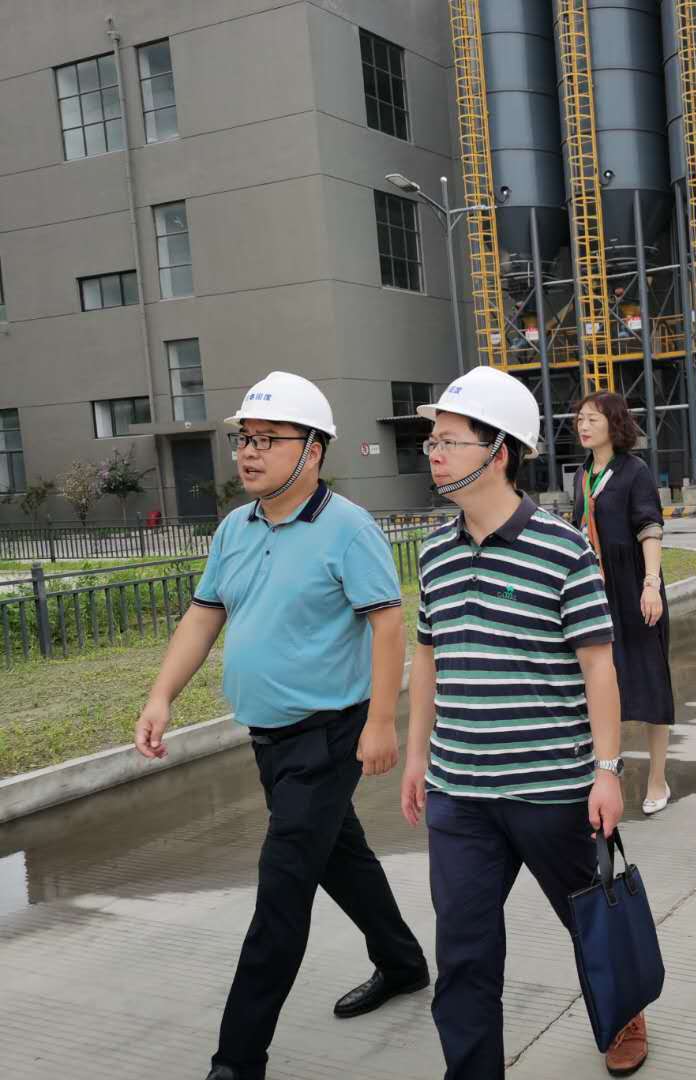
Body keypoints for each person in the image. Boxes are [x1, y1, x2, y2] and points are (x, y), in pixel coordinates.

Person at [134, 372, 429, 1080]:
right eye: (245, 439)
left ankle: (237, 1062)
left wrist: (381, 723)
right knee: (341, 857)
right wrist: (161, 695)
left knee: (282, 894)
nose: (248, 452)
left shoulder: (348, 528)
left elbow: (388, 624)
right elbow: (204, 613)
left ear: (313, 450)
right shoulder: (235, 528)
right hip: (268, 739)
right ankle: (403, 962)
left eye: (268, 440)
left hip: (328, 737)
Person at [399, 366, 648, 1078]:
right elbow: (429, 658)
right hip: (460, 792)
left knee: (591, 919)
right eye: (432, 442)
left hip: (552, 790)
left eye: (450, 441)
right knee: (464, 951)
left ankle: (624, 1011)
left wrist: (607, 771)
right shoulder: (435, 552)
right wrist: (417, 758)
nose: (434, 453)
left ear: (499, 451)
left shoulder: (563, 550)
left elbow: (600, 669)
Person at [572, 392, 675, 815]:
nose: (583, 426)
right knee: (599, 681)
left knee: (650, 679)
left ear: (614, 424)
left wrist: (651, 583)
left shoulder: (635, 471)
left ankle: (658, 778)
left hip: (634, 586)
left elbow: (649, 527)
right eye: (580, 419)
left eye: (592, 419)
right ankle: (604, 770)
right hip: (597, 589)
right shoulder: (583, 473)